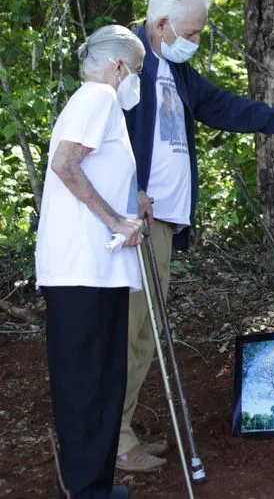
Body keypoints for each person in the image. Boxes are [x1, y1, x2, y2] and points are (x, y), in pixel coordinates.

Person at [118, 0, 274, 472]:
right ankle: (113, 440)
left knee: (145, 330)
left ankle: (117, 427)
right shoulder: (126, 62)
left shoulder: (176, 70)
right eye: (190, 32)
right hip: (130, 222)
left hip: (161, 222)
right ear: (161, 23)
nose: (196, 41)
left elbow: (222, 107)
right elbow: (102, 137)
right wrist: (128, 195)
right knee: (128, 331)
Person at [36, 25, 146, 499]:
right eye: (136, 71)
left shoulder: (97, 102)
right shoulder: (98, 97)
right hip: (80, 266)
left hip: (98, 269)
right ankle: (83, 488)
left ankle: (96, 484)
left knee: (103, 377)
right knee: (85, 379)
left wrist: (127, 212)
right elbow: (64, 165)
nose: (134, 81)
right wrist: (115, 221)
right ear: (119, 65)